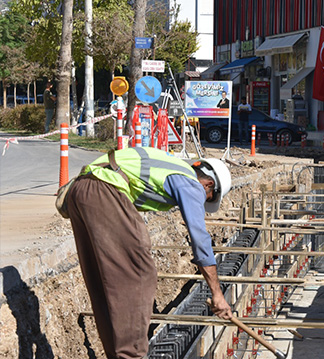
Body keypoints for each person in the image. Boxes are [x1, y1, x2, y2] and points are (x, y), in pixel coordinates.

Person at [65, 147, 233, 358]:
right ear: (209, 185)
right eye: (206, 198)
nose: (201, 201)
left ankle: (117, 354)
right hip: (105, 190)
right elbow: (200, 240)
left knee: (103, 280)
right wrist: (217, 295)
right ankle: (131, 355)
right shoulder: (191, 182)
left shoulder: (171, 168)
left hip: (81, 190)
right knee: (140, 274)